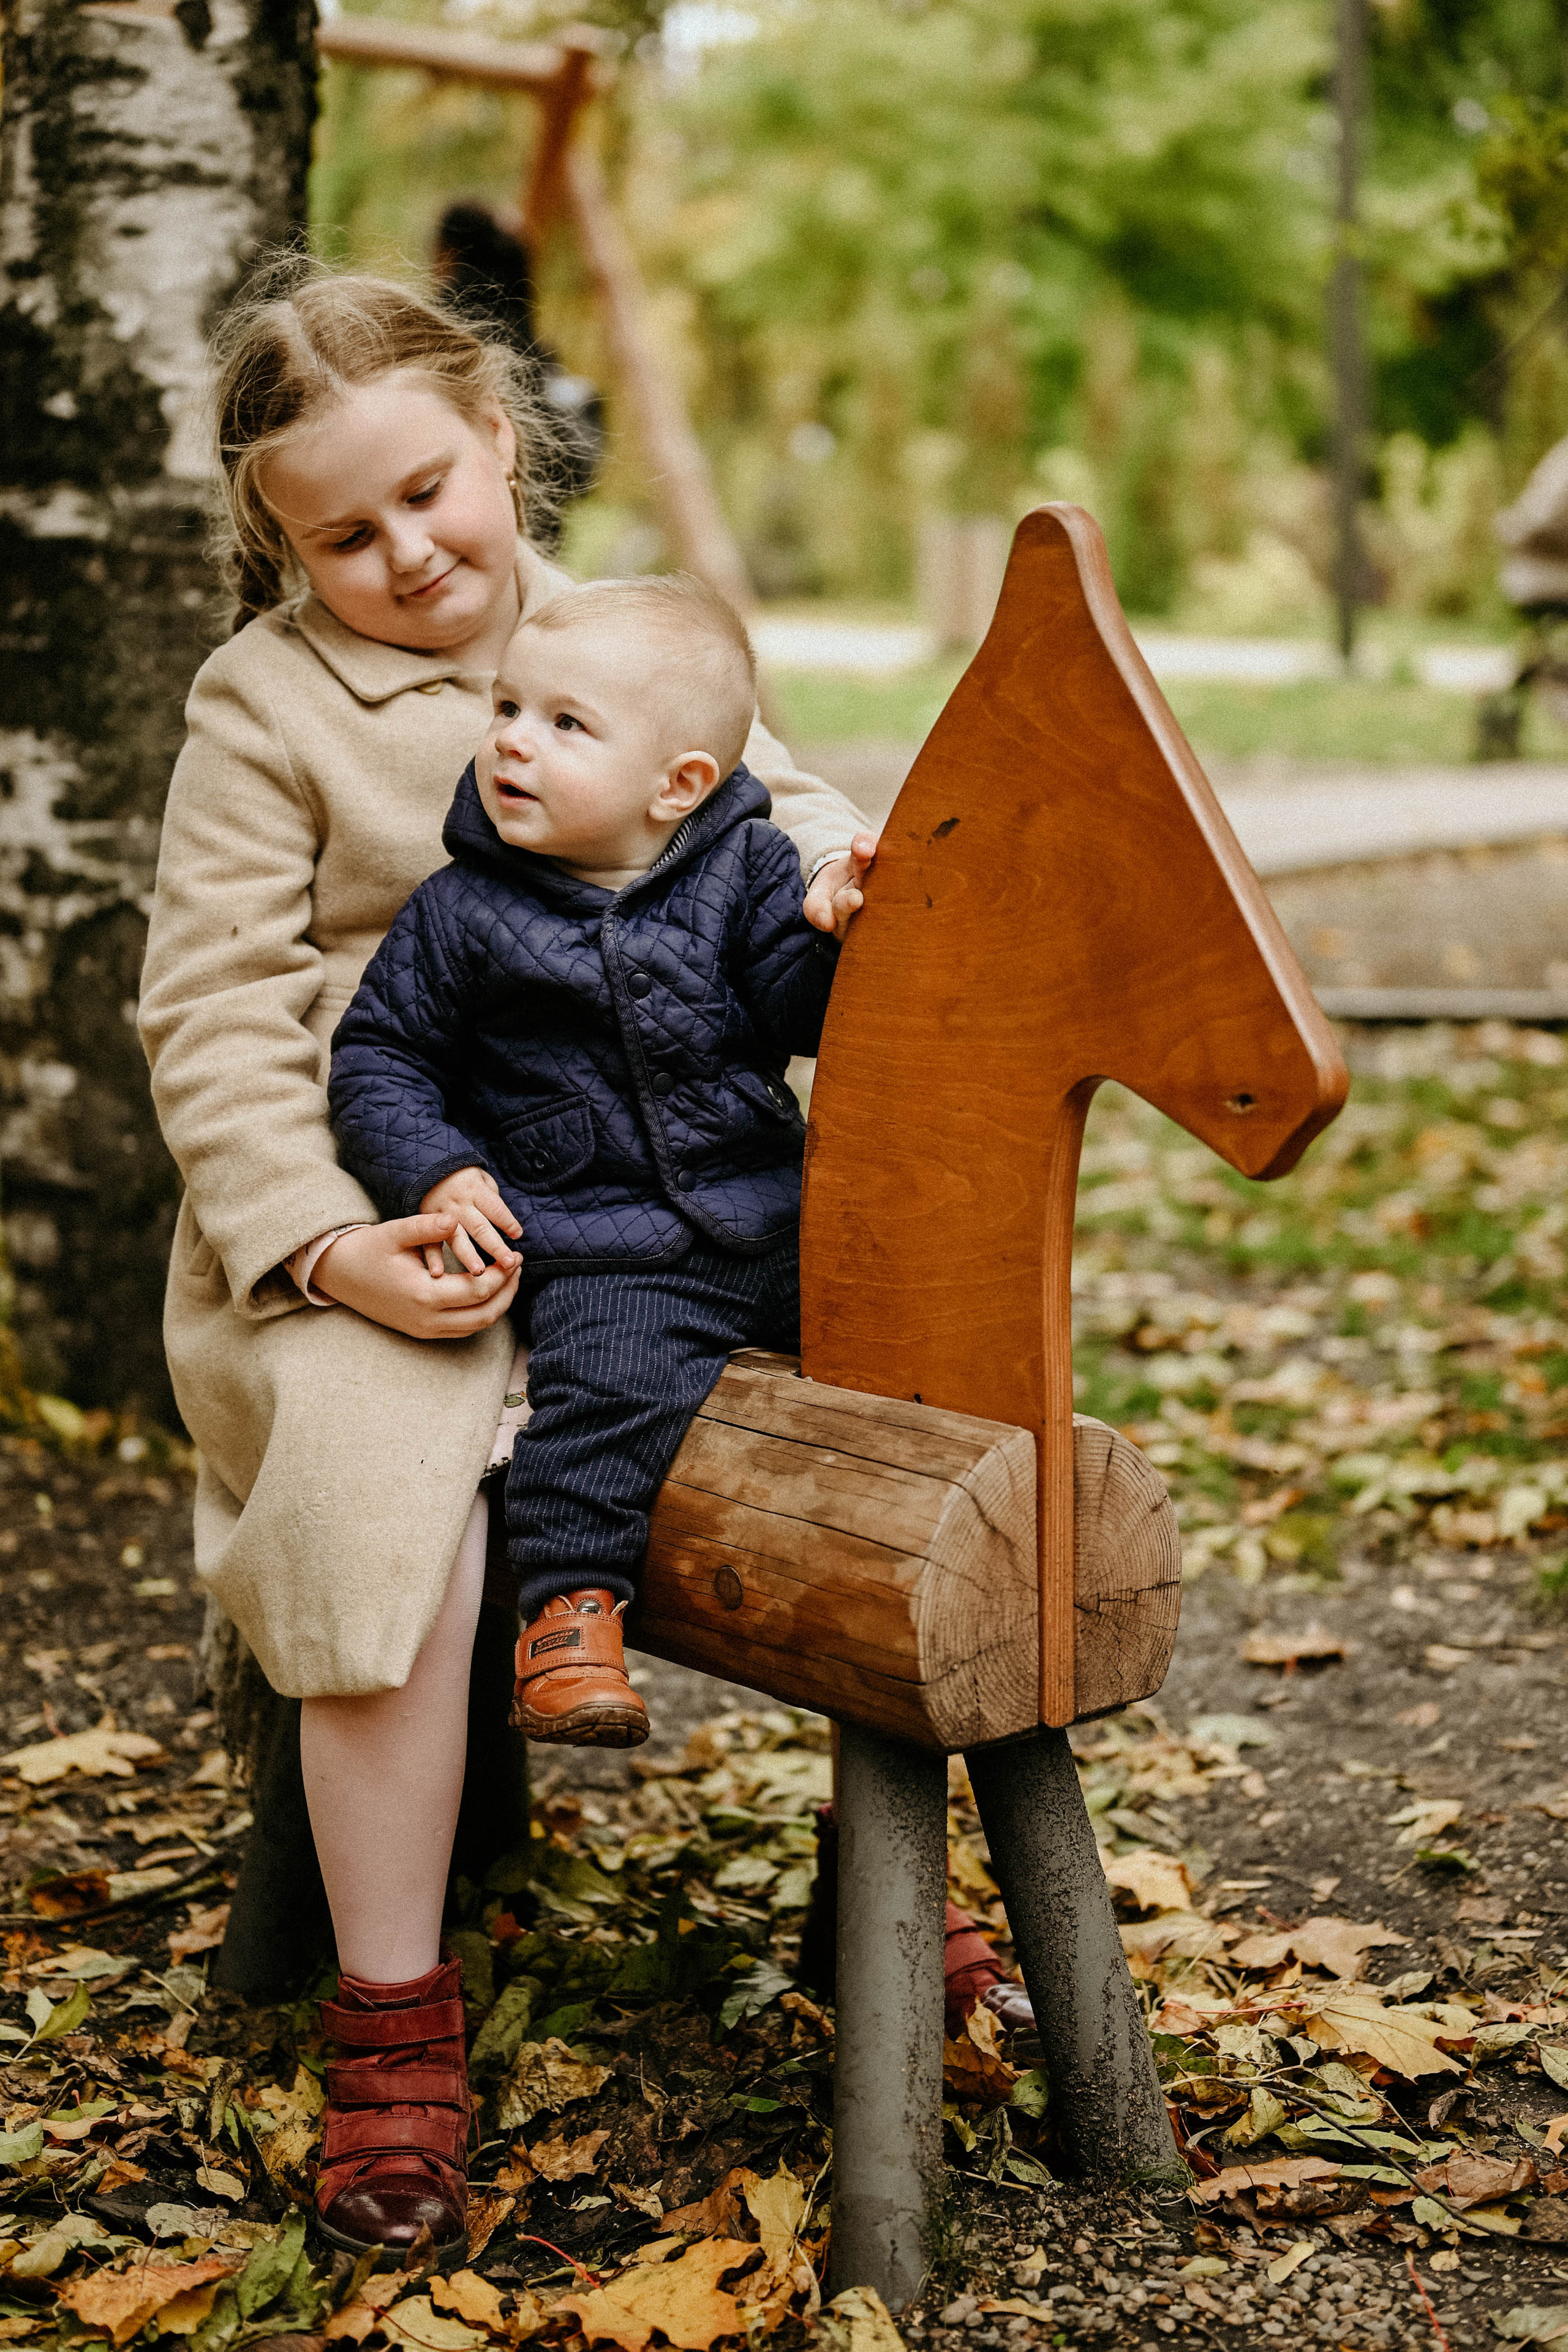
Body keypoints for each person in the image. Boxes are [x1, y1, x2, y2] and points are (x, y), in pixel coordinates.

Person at [136, 259, 876, 2263]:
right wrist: (327, 1245)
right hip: (384, 1208)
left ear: (499, 437)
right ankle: (394, 2031)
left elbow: (777, 801)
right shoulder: (267, 701)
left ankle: (904, 1894)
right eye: (341, 534)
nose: (402, 554)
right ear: (280, 543)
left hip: (657, 1191)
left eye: (430, 496)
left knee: (889, 1431)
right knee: (401, 1495)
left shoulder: (619, 638)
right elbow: (210, 1013)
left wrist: (833, 875)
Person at [326, 576, 864, 1749]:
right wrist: (437, 1172)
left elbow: (807, 1011)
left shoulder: (749, 874)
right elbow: (379, 1058)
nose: (513, 741)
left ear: (678, 786)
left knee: (901, 1357)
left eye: (565, 725)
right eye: (508, 708)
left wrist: (848, 936)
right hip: (609, 1244)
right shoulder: (461, 913)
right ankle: (569, 1614)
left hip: (779, 1218)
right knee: (605, 1386)